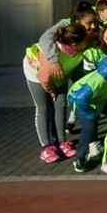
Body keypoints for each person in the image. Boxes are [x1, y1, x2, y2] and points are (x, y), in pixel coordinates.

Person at [24, 23, 88, 163]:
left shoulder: (79, 49)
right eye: (83, 42)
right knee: (44, 108)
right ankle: (46, 147)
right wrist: (52, 91)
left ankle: (61, 142)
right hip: (36, 73)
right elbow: (44, 78)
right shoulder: (52, 54)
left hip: (60, 75)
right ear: (72, 44)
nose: (86, 44)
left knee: (61, 105)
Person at [68, 48, 107, 172]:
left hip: (98, 100)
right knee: (89, 127)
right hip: (79, 100)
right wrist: (91, 115)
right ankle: (80, 158)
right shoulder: (99, 80)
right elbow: (80, 99)